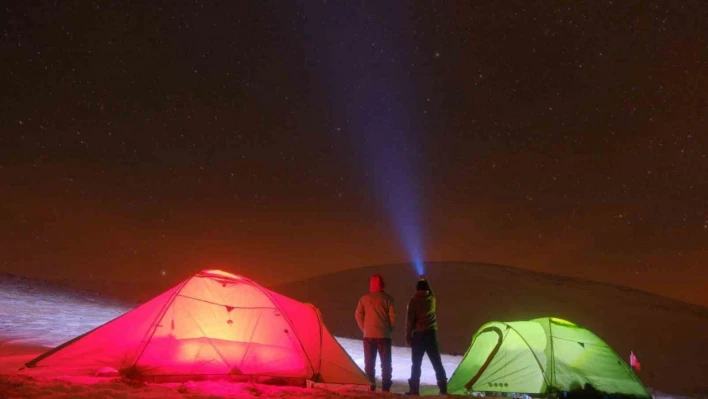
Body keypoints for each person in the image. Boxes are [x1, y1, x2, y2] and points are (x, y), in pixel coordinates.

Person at [405, 275, 447, 395]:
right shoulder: (431, 299)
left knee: (416, 363)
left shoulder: (413, 301)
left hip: (418, 335)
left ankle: (414, 390)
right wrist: (426, 280)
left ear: (417, 289)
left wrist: (408, 337)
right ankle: (443, 389)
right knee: (437, 362)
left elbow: (410, 321)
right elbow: (431, 291)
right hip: (431, 334)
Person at [355, 274, 396, 392]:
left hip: (368, 336)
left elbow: (358, 314)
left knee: (369, 363)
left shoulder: (364, 298)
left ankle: (370, 385)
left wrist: (364, 328)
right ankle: (386, 387)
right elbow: (393, 317)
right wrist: (388, 329)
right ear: (382, 285)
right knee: (386, 363)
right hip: (384, 336)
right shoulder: (388, 299)